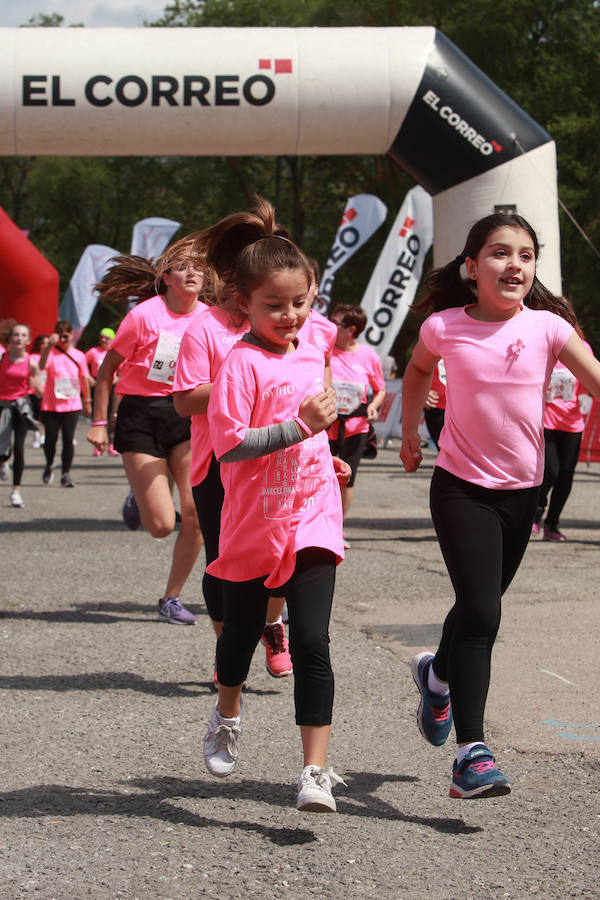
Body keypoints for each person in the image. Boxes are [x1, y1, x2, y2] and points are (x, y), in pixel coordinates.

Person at [400, 212, 600, 799]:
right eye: (499, 252)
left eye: (526, 255)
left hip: (522, 494)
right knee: (484, 615)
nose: (514, 264)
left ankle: (436, 676)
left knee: (475, 605)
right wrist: (409, 431)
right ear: (471, 266)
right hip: (460, 487)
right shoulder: (444, 326)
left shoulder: (549, 328)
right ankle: (472, 754)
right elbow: (417, 369)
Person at [198, 197, 347, 813]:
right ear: (244, 303)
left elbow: (318, 426)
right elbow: (230, 446)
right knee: (238, 637)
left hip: (312, 513)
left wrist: (328, 457)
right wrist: (299, 428)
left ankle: (315, 771)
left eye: (300, 303)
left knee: (312, 639)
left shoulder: (315, 349)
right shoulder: (240, 363)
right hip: (255, 521)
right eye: (274, 305)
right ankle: (227, 713)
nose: (290, 316)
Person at [86, 246, 206, 625]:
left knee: (196, 514)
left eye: (198, 268)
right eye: (182, 268)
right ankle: (140, 495)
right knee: (161, 526)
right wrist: (99, 422)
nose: (192, 274)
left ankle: (171, 598)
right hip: (141, 415)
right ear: (166, 278)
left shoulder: (210, 319)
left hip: (187, 415)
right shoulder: (143, 316)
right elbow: (106, 371)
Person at [531, 300, 592, 541]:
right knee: (551, 471)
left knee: (566, 475)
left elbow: (588, 378)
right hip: (544, 419)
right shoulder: (540, 344)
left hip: (572, 421)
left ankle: (552, 524)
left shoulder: (582, 347)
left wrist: (586, 397)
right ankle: (536, 513)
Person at [327, 304, 386, 542]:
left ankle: (336, 531)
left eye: (335, 322)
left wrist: (373, 406)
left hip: (356, 427)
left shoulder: (368, 356)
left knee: (347, 479)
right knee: (319, 477)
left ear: (351, 330)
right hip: (325, 426)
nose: (329, 325)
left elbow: (380, 389)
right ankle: (318, 528)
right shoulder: (325, 350)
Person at [38, 320, 91, 487]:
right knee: (50, 440)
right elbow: (41, 366)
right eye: (60, 336)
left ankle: (65, 473)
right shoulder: (51, 353)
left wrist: (88, 401)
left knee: (68, 439)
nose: (63, 339)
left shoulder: (79, 355)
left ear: (72, 335)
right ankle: (49, 463)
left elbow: (84, 379)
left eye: (66, 336)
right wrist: (49, 346)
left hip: (72, 404)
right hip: (51, 404)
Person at [0, 323, 41, 506]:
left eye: (23, 335)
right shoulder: (2, 358)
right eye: (16, 335)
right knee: (2, 449)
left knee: (19, 447)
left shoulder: (31, 362)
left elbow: (39, 393)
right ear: (10, 338)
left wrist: (36, 385)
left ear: (28, 340)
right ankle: (3, 461)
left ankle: (16, 491)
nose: (19, 338)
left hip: (20, 407)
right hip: (2, 406)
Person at [86, 327, 119, 456]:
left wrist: (118, 379)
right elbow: (81, 364)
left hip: (113, 387)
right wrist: (88, 377)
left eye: (107, 338)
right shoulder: (93, 352)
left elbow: (124, 369)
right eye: (101, 337)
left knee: (113, 415)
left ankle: (112, 443)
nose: (103, 340)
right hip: (98, 385)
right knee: (99, 414)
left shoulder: (116, 351)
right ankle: (97, 444)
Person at [29, 334, 49, 448]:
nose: (45, 346)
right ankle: (36, 436)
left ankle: (43, 435)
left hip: (48, 391)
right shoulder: (33, 357)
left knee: (45, 415)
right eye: (43, 343)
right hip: (34, 391)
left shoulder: (52, 356)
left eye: (47, 343)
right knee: (35, 415)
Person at [423, 360, 446, 450]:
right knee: (444, 452)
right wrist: (422, 390)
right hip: (436, 406)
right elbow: (415, 369)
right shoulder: (426, 349)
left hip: (465, 408)